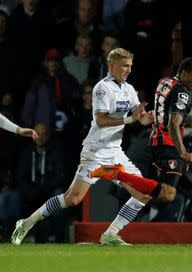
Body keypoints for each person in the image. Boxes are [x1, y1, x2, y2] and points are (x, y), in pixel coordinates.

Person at [11, 48, 155, 245]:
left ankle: (110, 234)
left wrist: (150, 118)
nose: (128, 70)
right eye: (124, 65)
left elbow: (141, 118)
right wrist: (130, 119)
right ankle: (26, 223)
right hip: (95, 152)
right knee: (72, 199)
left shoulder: (129, 89)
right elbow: (102, 120)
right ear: (112, 65)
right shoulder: (101, 88)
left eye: (130, 66)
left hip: (116, 154)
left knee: (143, 194)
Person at [90, 57, 192, 246]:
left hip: (158, 141)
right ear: (185, 73)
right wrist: (183, 152)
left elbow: (185, 75)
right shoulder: (182, 93)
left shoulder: (164, 81)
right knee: (168, 195)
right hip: (169, 146)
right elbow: (174, 124)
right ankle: (116, 174)